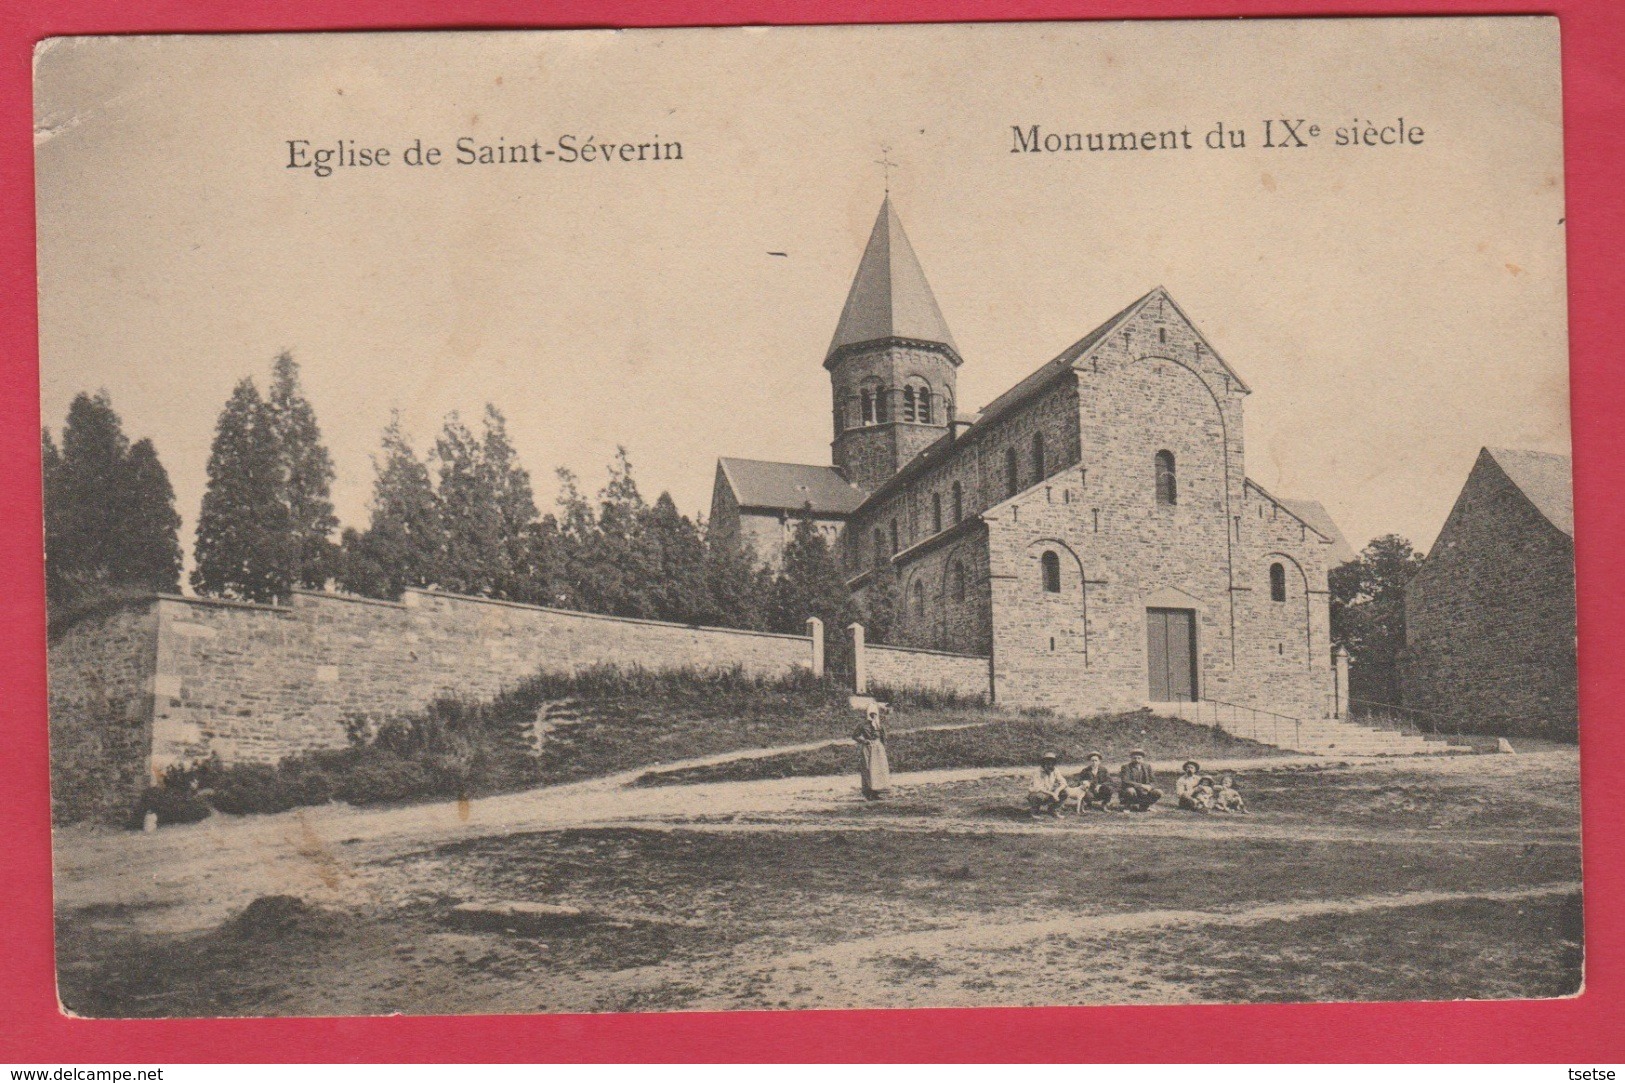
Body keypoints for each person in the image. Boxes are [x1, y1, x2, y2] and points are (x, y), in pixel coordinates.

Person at [852, 702, 891, 800]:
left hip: (878, 749)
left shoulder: (879, 725)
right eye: (871, 713)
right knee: (868, 769)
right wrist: (864, 741)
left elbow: (884, 737)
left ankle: (876, 792)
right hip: (868, 748)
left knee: (879, 770)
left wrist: (882, 746)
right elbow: (854, 736)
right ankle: (868, 792)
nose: (873, 715)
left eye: (875, 713)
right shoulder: (862, 725)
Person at [1028, 752, 1071, 818]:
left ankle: (1053, 810)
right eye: (1048, 762)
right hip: (1038, 793)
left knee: (1065, 792)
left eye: (1052, 762)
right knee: (1037, 795)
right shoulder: (1037, 772)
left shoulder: (1055, 770)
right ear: (1044, 762)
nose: (1050, 765)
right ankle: (1035, 812)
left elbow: (1064, 783)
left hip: (1049, 792)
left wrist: (1057, 791)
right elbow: (1038, 788)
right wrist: (1053, 794)